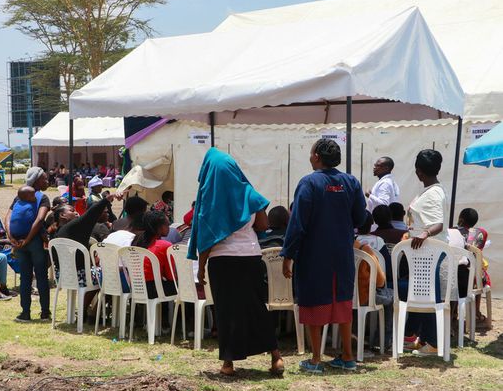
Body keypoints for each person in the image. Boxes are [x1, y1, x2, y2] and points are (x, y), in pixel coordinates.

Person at [189, 148, 283, 377]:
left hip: (222, 260)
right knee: (256, 306)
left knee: (226, 310)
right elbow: (263, 224)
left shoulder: (209, 196)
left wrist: (201, 267)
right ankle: (276, 356)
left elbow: (206, 236)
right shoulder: (247, 191)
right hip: (250, 255)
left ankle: (228, 363)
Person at [281, 139, 368, 373]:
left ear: (317, 156)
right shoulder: (351, 182)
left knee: (313, 301)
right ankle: (348, 357)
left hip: (314, 253)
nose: (310, 157)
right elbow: (361, 217)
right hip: (342, 253)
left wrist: (288, 254)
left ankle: (316, 360)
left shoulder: (309, 183)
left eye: (311, 153)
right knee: (342, 300)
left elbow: (297, 223)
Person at [401, 149, 448, 356]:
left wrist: (425, 233)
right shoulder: (430, 190)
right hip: (421, 254)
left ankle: (434, 342)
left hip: (428, 253)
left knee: (430, 298)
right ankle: (422, 338)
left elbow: (438, 223)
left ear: (418, 172)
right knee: (423, 296)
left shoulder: (434, 194)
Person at [52, 193, 118, 314]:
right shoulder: (72, 227)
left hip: (62, 276)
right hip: (80, 276)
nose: (77, 212)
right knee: (108, 275)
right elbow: (90, 215)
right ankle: (88, 311)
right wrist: (106, 200)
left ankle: (91, 310)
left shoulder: (58, 232)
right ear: (62, 215)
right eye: (72, 211)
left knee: (98, 273)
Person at [6, 167, 52, 322]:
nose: (47, 181)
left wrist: (11, 237)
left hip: (19, 242)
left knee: (25, 278)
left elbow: (8, 216)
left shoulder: (19, 196)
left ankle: (25, 313)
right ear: (36, 181)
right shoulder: (42, 198)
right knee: (41, 277)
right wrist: (29, 239)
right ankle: (45, 313)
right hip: (35, 242)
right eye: (44, 178)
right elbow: (39, 220)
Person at [132, 210, 177, 298]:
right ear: (159, 227)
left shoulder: (137, 241)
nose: (169, 227)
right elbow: (170, 277)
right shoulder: (164, 245)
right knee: (182, 288)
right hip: (154, 290)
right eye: (167, 224)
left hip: (136, 287)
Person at [457, 208, 489, 324]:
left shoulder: (453, 232)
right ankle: (476, 311)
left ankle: (454, 313)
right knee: (479, 272)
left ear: (460, 219)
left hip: (456, 275)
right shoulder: (481, 233)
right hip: (474, 278)